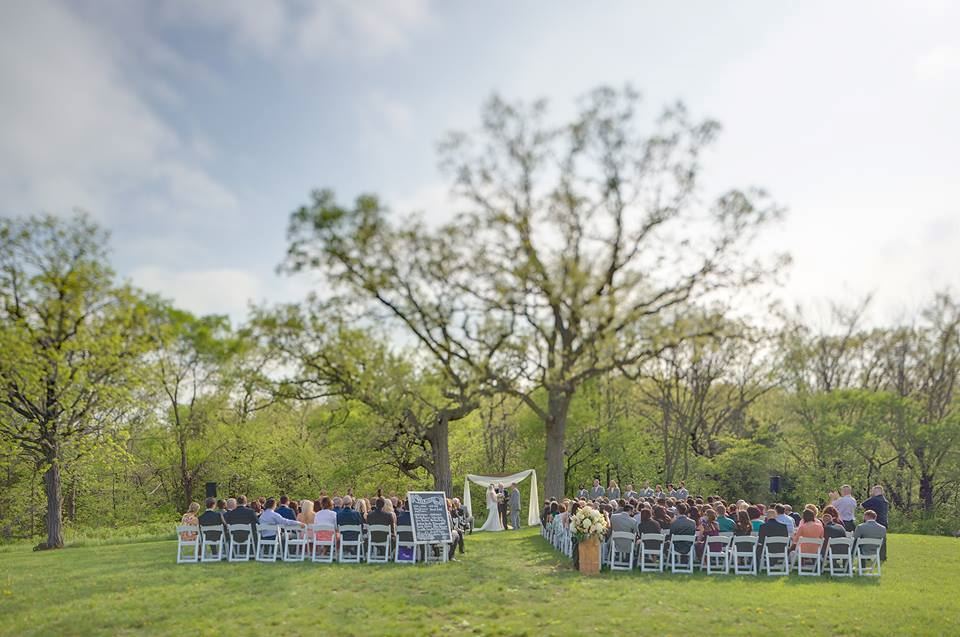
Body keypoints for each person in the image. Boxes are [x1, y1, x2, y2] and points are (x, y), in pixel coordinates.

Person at [861, 485, 889, 560]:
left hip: (873, 522)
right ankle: (882, 556)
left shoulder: (873, 499)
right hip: (883, 523)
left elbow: (862, 505)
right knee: (882, 540)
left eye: (873, 491)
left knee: (867, 539)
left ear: (875, 491)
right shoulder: (885, 501)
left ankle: (867, 555)